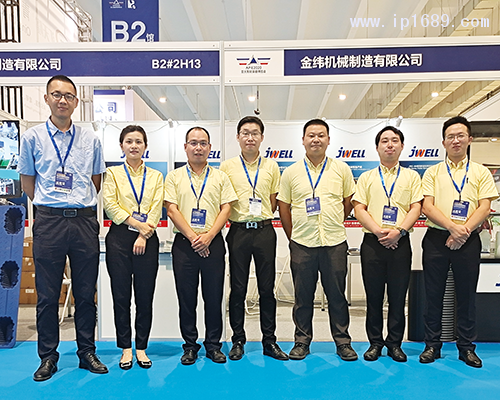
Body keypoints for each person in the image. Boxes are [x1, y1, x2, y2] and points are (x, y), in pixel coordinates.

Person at [18, 75, 107, 381]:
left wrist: (75, 204)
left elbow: (96, 181)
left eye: (68, 96)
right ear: (46, 99)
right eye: (56, 94)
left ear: (76, 102)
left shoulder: (90, 139)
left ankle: (87, 352)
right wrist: (52, 205)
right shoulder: (32, 138)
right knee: (47, 295)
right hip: (49, 222)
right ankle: (48, 356)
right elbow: (28, 182)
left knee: (85, 293)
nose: (62, 100)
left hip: (83, 221)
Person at [420, 116, 498, 368]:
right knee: (434, 294)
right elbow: (427, 206)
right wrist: (453, 228)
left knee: (466, 295)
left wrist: (463, 231)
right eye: (450, 137)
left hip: (469, 239)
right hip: (436, 239)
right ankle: (432, 345)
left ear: (469, 139)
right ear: (443, 142)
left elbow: (484, 206)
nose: (455, 140)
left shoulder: (480, 172)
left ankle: (466, 347)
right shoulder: (432, 172)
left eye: (460, 135)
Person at [277, 118, 358, 361]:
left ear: (328, 140)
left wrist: (333, 221)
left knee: (337, 296)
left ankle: (343, 342)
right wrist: (294, 236)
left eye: (321, 135)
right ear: (303, 140)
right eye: (311, 135)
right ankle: (301, 341)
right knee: (303, 297)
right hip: (302, 244)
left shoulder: (341, 169)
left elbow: (348, 202)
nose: (316, 140)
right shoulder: (291, 172)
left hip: (334, 242)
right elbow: (284, 207)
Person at [164, 126, 237, 365]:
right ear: (185, 147)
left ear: (210, 148)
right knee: (187, 298)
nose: (198, 147)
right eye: (193, 143)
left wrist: (208, 236)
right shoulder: (174, 177)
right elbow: (171, 209)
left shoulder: (220, 177)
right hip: (184, 245)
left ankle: (214, 345)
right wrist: (194, 237)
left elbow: (226, 208)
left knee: (213, 297)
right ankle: (190, 346)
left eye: (203, 143)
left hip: (213, 243)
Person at [220, 116, 288, 361]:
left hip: (264, 231)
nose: (250, 137)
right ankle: (238, 340)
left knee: (266, 289)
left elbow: (273, 200)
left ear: (262, 137)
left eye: (255, 133)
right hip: (238, 231)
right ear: (238, 137)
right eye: (245, 133)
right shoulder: (227, 167)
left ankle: (269, 341)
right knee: (238, 288)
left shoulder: (271, 166)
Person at [352, 126, 422, 362]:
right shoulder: (366, 177)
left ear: (402, 146)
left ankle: (394, 344)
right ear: (377, 147)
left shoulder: (412, 177)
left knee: (397, 297)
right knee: (373, 298)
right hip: (372, 243)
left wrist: (398, 232)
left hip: (400, 243)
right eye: (384, 141)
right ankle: (375, 343)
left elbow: (416, 208)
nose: (389, 145)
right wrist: (379, 231)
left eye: (394, 140)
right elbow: (359, 208)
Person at [102, 125, 164, 370]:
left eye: (139, 141)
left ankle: (141, 347)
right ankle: (125, 348)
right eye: (129, 141)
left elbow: (156, 207)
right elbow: (110, 205)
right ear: (122, 146)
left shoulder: (156, 176)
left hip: (147, 238)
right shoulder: (112, 173)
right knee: (121, 296)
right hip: (119, 238)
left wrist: (143, 234)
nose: (134, 146)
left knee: (144, 296)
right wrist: (138, 226)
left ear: (145, 146)